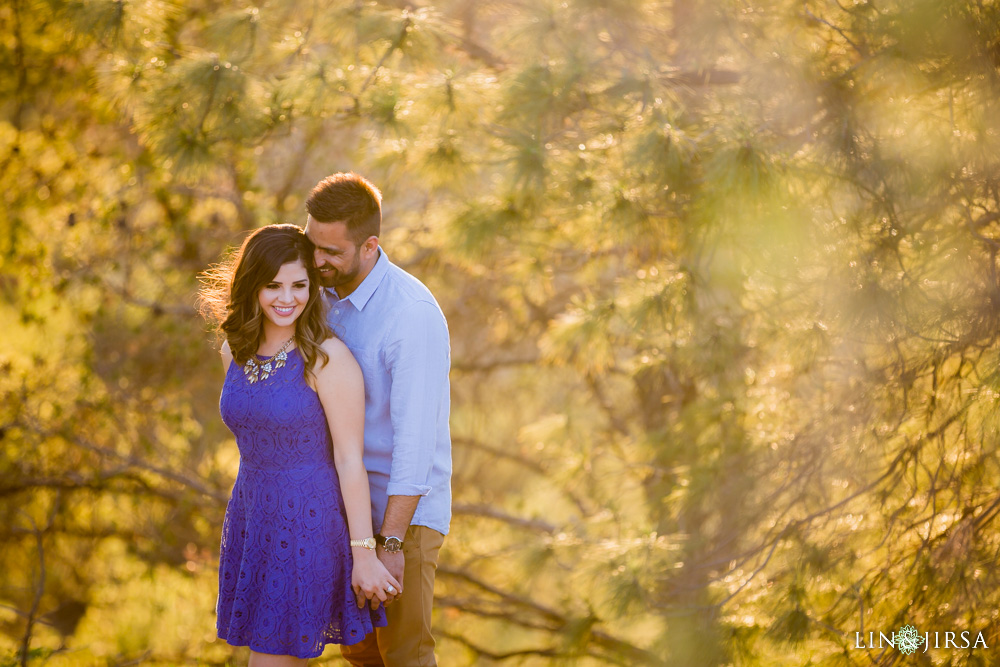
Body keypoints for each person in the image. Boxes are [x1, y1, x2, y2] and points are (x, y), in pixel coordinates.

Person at [198, 224, 401, 666]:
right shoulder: (235, 351)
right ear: (252, 285)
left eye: (299, 285)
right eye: (272, 285)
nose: (286, 297)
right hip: (254, 522)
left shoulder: (326, 359)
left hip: (307, 525)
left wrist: (364, 555)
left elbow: (350, 461)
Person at [304, 173, 452, 667]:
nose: (317, 260)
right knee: (360, 654)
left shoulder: (411, 315)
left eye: (331, 251)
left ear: (370, 246)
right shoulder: (319, 295)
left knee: (404, 656)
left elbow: (416, 445)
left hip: (401, 517)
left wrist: (390, 543)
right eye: (312, 245)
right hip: (348, 510)